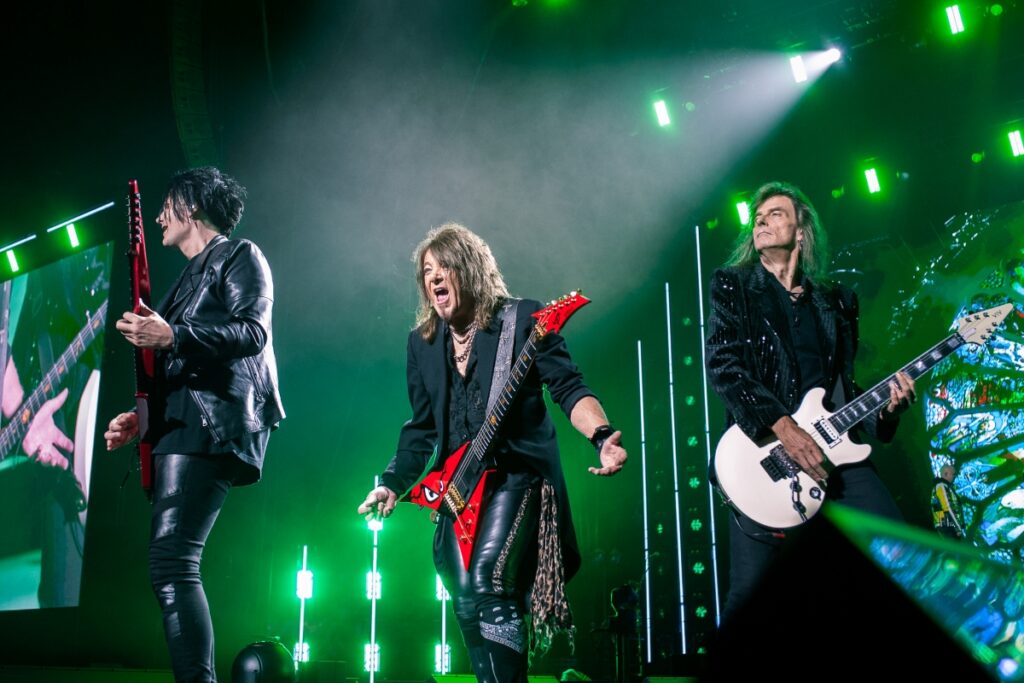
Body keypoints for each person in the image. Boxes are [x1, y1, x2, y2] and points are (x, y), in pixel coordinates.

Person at [357, 223, 627, 683]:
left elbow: (567, 387)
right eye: (426, 271)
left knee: (489, 582)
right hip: (458, 489)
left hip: (514, 475)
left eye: (444, 267)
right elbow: (421, 430)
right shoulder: (421, 343)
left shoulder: (521, 320)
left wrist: (601, 435)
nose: (434, 278)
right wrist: (390, 484)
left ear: (470, 269)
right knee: (463, 596)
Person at [704, 181, 916, 622]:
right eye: (758, 216)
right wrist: (784, 428)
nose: (761, 220)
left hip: (834, 449)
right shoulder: (734, 286)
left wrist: (886, 409)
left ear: (801, 231)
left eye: (775, 213)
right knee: (750, 595)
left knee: (904, 559)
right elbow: (723, 364)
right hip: (762, 454)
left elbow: (841, 388)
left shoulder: (837, 301)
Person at [104, 167, 285, 682]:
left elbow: (252, 332)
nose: (160, 216)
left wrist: (173, 335)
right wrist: (139, 421)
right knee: (170, 562)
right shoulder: (183, 281)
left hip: (214, 422)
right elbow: (173, 366)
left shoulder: (241, 255)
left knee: (172, 561)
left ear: (194, 208)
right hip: (179, 424)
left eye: (169, 205)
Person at [932, 463, 965, 539]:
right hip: (947, 528)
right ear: (945, 474)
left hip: (947, 527)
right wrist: (958, 527)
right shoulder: (941, 486)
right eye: (952, 474)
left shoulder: (944, 486)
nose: (954, 477)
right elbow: (948, 508)